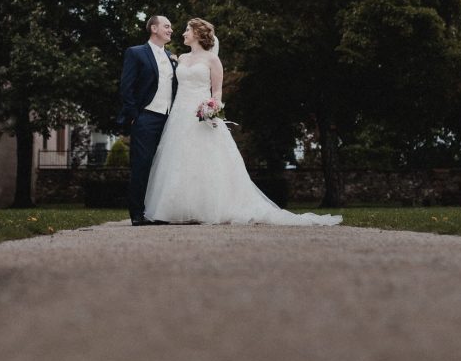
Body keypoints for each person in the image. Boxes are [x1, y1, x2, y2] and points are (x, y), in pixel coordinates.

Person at [143, 18, 342, 226]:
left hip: (202, 114)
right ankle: (179, 208)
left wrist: (213, 107)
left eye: (187, 30)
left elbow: (217, 91)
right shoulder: (180, 58)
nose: (182, 33)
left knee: (208, 160)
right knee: (178, 161)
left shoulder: (212, 60)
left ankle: (210, 208)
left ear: (198, 34)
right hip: (179, 115)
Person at [117, 15, 178, 226]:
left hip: (169, 119)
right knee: (142, 165)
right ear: (154, 28)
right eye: (167, 26)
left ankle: (157, 212)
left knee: (163, 167)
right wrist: (134, 116)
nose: (171, 30)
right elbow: (126, 87)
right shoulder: (136, 53)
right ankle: (137, 213)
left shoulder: (171, 57)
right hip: (146, 117)